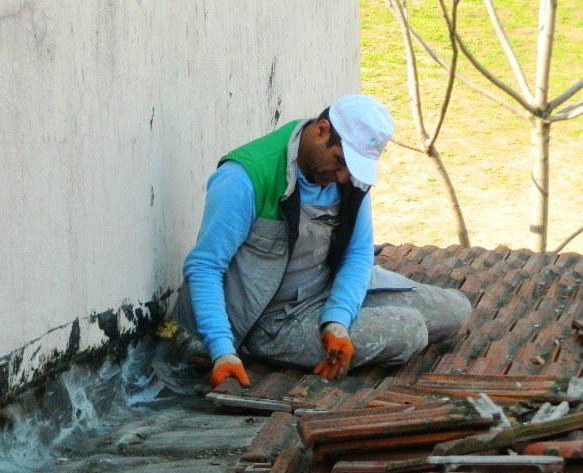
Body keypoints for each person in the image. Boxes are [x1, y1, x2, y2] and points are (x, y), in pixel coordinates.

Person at [173, 94, 471, 388]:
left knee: (457, 309)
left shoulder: (348, 177)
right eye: (340, 162)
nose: (342, 177)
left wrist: (337, 321)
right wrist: (222, 350)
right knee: (410, 331)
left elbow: (357, 254)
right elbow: (205, 268)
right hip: (273, 320)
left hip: (326, 289)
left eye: (351, 169)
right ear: (321, 129)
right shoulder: (243, 178)